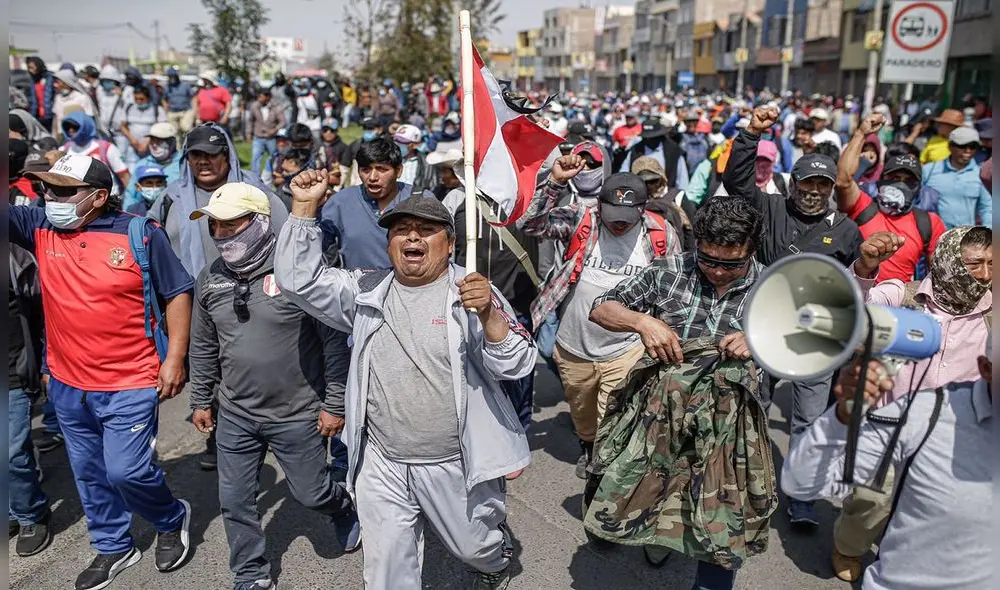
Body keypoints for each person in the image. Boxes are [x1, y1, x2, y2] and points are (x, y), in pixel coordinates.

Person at [276, 174, 533, 590]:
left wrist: (489, 317)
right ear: (389, 244)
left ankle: (494, 559)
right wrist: (304, 209)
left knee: (474, 549)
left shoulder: (472, 293)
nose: (412, 237)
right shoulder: (366, 290)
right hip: (382, 462)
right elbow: (298, 281)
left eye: (426, 230)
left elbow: (517, 363)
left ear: (450, 244)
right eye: (401, 231)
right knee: (386, 575)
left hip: (454, 461)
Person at [10, 154, 193, 589]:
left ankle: (170, 517)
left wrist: (175, 359)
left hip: (130, 380)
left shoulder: (140, 233)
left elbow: (178, 292)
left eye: (62, 191)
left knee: (124, 471)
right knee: (89, 472)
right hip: (68, 382)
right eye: (46, 190)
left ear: (98, 196)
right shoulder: (39, 226)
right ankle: (114, 544)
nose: (49, 198)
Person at [588, 195, 770, 589]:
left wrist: (762, 339)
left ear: (752, 250)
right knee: (649, 488)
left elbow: (810, 344)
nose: (719, 272)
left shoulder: (774, 289)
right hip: (661, 416)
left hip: (728, 430)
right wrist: (642, 322)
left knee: (723, 526)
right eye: (709, 260)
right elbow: (602, 308)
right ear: (696, 245)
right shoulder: (668, 270)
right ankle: (658, 537)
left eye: (732, 263)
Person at [187, 182, 360, 590]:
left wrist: (335, 403)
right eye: (215, 226)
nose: (222, 235)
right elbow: (203, 344)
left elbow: (334, 343)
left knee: (312, 494)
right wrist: (200, 399)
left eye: (232, 224)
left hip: (298, 415)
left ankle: (342, 506)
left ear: (261, 222)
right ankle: (250, 574)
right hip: (236, 415)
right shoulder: (209, 279)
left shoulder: (299, 274)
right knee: (234, 501)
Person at [822, 226, 992, 582]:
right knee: (869, 503)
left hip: (954, 435)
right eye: (975, 264)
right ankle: (848, 547)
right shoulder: (904, 295)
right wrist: (865, 271)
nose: (986, 275)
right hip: (888, 426)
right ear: (948, 261)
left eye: (993, 264)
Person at [725, 105, 863, 530]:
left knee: (808, 422)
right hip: (762, 331)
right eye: (807, 182)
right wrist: (750, 133)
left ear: (829, 189)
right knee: (753, 410)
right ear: (794, 184)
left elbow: (859, 284)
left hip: (816, 339)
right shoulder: (769, 209)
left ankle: (801, 497)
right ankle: (748, 484)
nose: (814, 190)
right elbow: (735, 182)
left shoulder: (844, 229)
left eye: (823, 184)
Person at [783, 336, 992, 590]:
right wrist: (841, 418)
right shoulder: (926, 413)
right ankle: (848, 548)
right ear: (986, 369)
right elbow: (802, 482)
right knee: (871, 500)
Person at [521, 161, 681, 479]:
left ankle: (604, 464)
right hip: (573, 344)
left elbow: (674, 284)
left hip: (626, 347)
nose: (619, 225)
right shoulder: (581, 218)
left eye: (627, 217)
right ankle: (588, 443)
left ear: (642, 207)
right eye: (612, 216)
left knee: (614, 410)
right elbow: (530, 224)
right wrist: (553, 183)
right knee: (582, 410)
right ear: (600, 204)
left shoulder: (661, 232)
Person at [836, 114, 947, 283]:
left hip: (899, 304)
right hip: (856, 294)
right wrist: (861, 133)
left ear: (918, 186)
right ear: (881, 180)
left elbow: (938, 275)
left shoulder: (929, 222)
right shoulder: (863, 206)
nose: (901, 185)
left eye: (908, 181)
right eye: (895, 178)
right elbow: (843, 181)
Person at [9, 239, 53, 557]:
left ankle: (31, 514)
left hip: (13, 373)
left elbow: (46, 315)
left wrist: (47, 364)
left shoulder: (16, 256)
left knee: (11, 452)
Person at [320, 137, 414, 270]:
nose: (373, 177)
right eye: (366, 170)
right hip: (356, 287)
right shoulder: (340, 202)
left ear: (398, 171)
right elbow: (319, 244)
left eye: (382, 169)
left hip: (407, 287)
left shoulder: (418, 199)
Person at [921, 127, 991, 229]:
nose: (967, 151)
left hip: (964, 239)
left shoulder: (980, 174)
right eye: (962, 146)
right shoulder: (929, 171)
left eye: (973, 147)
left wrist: (989, 233)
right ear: (950, 146)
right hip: (932, 237)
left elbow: (987, 208)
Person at [631, 155, 696, 250]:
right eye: (643, 182)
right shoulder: (634, 199)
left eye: (653, 181)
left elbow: (691, 230)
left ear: (662, 178)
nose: (649, 186)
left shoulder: (678, 196)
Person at [60, 111, 131, 190]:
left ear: (86, 126)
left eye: (75, 126)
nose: (70, 130)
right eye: (67, 126)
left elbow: (124, 176)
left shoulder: (106, 148)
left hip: (110, 198)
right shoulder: (63, 150)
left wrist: (131, 199)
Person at [122, 122, 182, 213]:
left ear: (172, 143)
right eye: (152, 140)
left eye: (160, 141)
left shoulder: (183, 163)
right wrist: (128, 217)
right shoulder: (142, 164)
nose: (154, 145)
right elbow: (131, 195)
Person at [615, 121, 689, 190]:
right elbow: (623, 176)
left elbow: (682, 181)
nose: (650, 140)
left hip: (666, 197)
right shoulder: (635, 150)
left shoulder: (674, 151)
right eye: (647, 137)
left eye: (654, 137)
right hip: (640, 196)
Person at [119, 85, 167, 167]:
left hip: (152, 149)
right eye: (136, 99)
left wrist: (147, 142)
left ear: (148, 98)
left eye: (141, 99)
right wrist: (132, 140)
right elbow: (123, 126)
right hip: (132, 148)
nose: (138, 101)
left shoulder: (157, 110)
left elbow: (161, 128)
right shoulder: (128, 108)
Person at [247, 87, 287, 182]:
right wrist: (248, 133)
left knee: (273, 157)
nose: (260, 98)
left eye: (262, 96)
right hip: (258, 136)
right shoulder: (254, 106)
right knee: (256, 157)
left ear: (268, 97)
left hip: (271, 138)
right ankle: (255, 179)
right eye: (259, 96)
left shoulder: (276, 107)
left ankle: (272, 176)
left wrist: (275, 129)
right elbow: (250, 121)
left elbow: (283, 121)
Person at [51, 69, 98, 140]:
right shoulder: (58, 98)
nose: (56, 85)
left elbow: (89, 119)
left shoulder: (81, 98)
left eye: (58, 82)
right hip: (62, 136)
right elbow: (57, 119)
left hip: (78, 136)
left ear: (66, 82)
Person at [394, 124, 436, 194]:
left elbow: (432, 187)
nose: (398, 144)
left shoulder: (427, 164)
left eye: (402, 142)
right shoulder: (390, 160)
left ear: (415, 145)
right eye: (396, 140)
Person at [162, 67, 196, 143]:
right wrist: (165, 112)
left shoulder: (185, 85)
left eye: (173, 76)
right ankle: (178, 149)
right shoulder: (167, 87)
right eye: (170, 76)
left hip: (185, 111)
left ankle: (189, 144)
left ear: (177, 76)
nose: (172, 78)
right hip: (172, 111)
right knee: (174, 132)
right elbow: (164, 99)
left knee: (186, 128)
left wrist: (195, 110)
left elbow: (193, 97)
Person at [26, 56, 57, 131]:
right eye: (29, 68)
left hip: (50, 114)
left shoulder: (50, 78)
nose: (30, 70)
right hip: (37, 115)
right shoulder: (33, 80)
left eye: (32, 67)